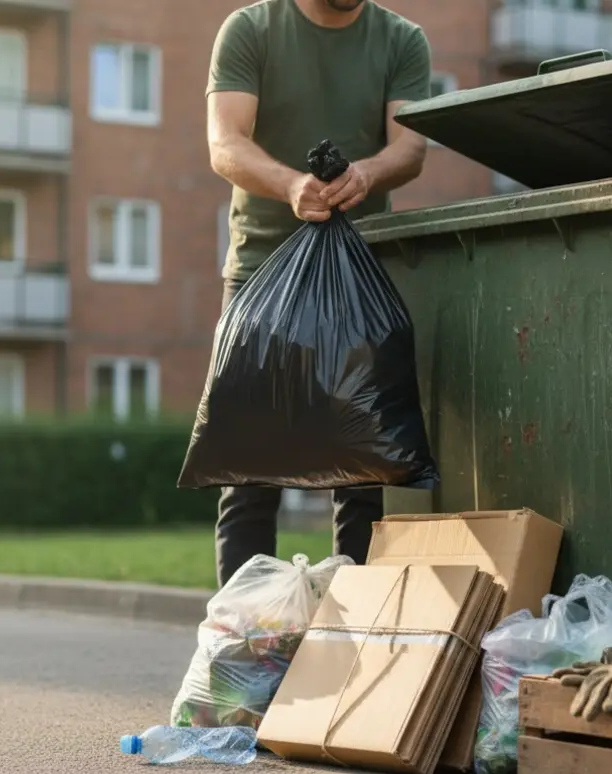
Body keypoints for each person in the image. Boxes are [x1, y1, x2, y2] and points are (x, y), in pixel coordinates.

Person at [205, 0, 432, 587]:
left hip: (361, 282)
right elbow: (225, 142)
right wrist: (290, 185)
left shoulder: (401, 39)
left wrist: (367, 174)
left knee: (364, 479)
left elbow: (410, 148)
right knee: (248, 478)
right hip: (261, 275)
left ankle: (348, 633)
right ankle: (247, 635)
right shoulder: (251, 30)